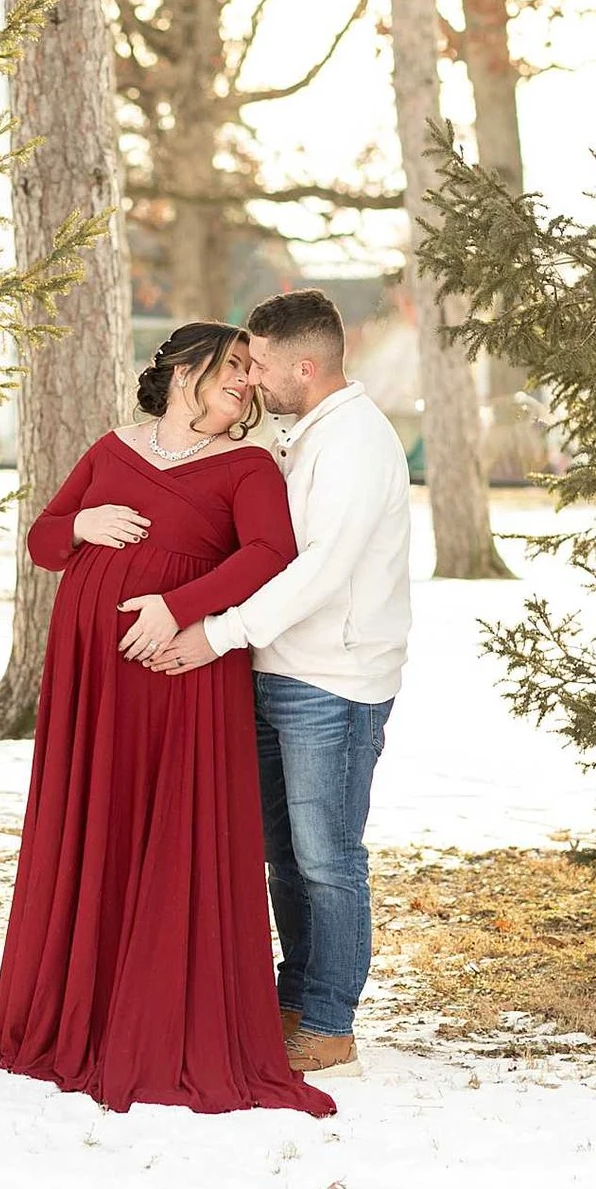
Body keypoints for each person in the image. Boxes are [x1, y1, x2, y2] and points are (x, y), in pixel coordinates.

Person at [0, 322, 336, 1117]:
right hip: (94, 689)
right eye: (232, 368)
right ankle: (79, 1009)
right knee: (100, 830)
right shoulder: (113, 448)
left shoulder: (248, 464)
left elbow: (269, 553)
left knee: (168, 833)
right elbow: (45, 540)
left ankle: (158, 1021)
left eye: (252, 376)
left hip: (181, 675)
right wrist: (82, 525)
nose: (246, 384)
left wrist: (178, 606)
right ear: (184, 369)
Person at [134, 289, 410, 1080]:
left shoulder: (353, 442)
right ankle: (294, 1000)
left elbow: (319, 569)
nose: (247, 377)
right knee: (284, 856)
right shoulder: (304, 435)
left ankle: (330, 1024)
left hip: (335, 680)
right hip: (281, 668)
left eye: (255, 361)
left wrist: (215, 632)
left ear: (304, 365)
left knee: (327, 857)